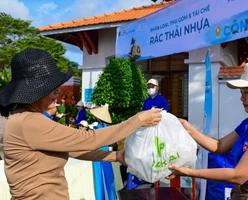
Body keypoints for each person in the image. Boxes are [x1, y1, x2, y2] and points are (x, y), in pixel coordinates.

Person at [0, 48, 162, 199]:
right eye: (52, 88)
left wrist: (116, 156)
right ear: (36, 91)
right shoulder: (29, 122)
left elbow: (73, 149)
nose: (58, 92)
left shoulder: (25, 118)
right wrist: (137, 121)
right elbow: (87, 139)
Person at [167, 60, 248, 200]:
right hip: (241, 194)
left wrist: (188, 172)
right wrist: (189, 129)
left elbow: (238, 175)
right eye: (241, 92)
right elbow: (220, 146)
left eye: (247, 92)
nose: (241, 98)